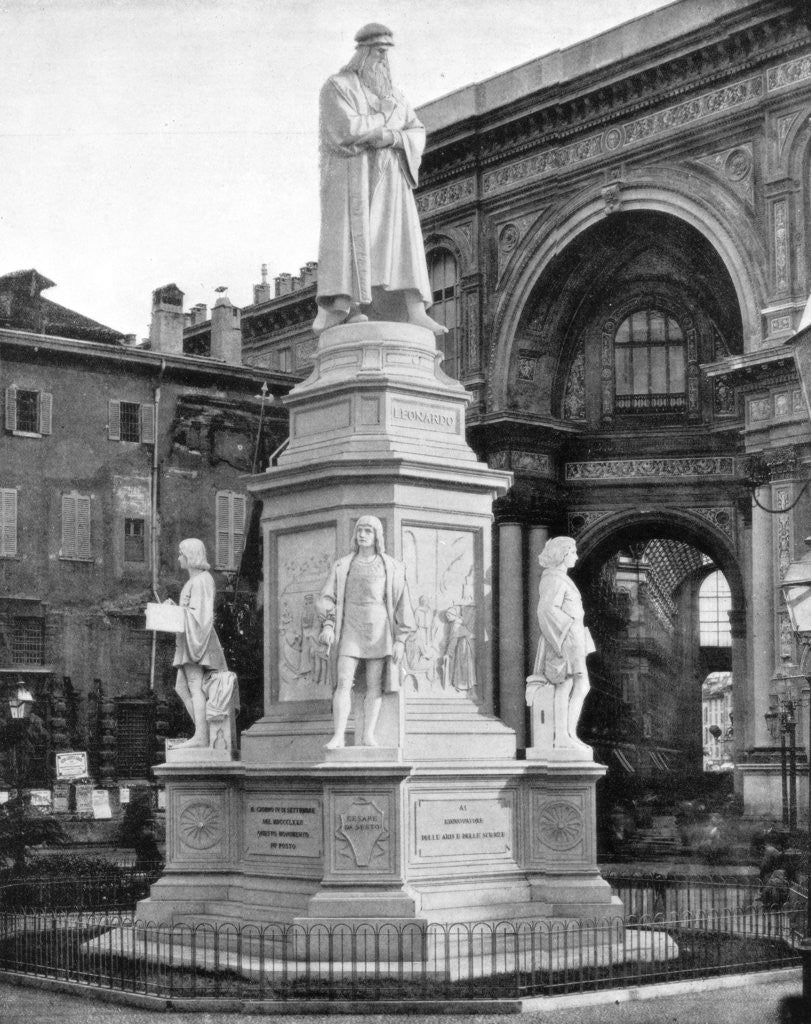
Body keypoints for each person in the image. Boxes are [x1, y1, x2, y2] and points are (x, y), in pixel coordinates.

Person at [314, 23, 447, 336]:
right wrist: (384, 119)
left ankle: (415, 309)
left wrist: (392, 136)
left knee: (400, 243)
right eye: (378, 54)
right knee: (355, 242)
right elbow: (345, 130)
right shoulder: (338, 87)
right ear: (363, 54)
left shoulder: (396, 96)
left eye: (387, 55)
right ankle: (352, 308)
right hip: (354, 183)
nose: (384, 62)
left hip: (392, 182)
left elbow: (416, 131)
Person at [317, 515, 415, 748]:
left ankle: (368, 734)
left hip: (379, 629)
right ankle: (339, 735)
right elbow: (326, 597)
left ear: (377, 536)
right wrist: (329, 625)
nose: (362, 534)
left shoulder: (391, 566)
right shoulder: (343, 565)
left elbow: (403, 603)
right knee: (343, 682)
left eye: (368, 531)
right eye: (359, 530)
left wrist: (400, 639)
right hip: (350, 626)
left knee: (374, 685)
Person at [528, 536, 594, 751]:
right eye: (573, 552)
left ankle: (568, 734)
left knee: (576, 685)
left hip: (573, 639)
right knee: (565, 684)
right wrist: (564, 634)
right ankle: (563, 737)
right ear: (563, 554)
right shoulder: (554, 579)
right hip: (565, 639)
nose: (576, 556)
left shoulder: (561, 578)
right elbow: (546, 610)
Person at [167, 538, 228, 748]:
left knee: (194, 687)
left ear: (191, 556)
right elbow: (191, 612)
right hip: (190, 639)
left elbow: (200, 617)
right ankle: (204, 734)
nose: (179, 558)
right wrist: (174, 609)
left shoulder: (202, 580)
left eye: (181, 554)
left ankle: (202, 736)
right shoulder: (196, 580)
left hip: (197, 641)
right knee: (182, 687)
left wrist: (177, 612)